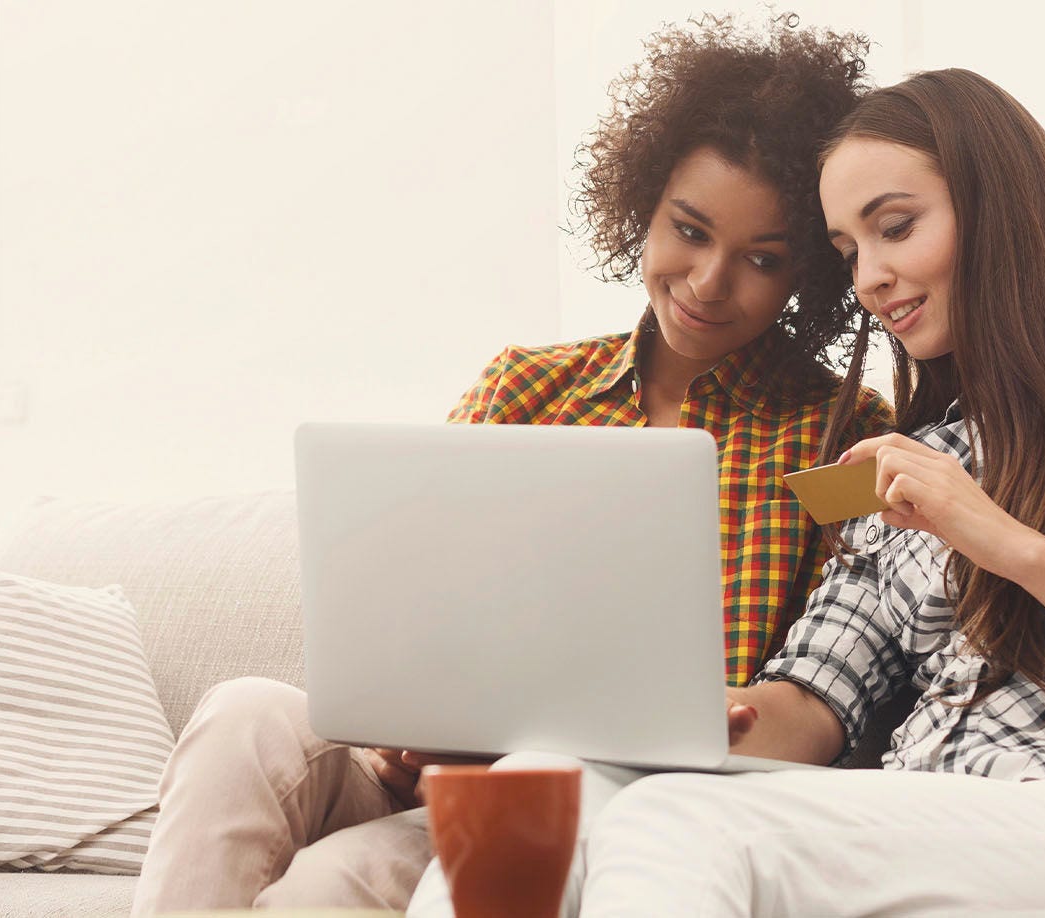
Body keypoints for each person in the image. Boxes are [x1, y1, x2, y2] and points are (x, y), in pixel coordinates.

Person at [130, 13, 892, 914]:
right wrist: (403, 729)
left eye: (761, 260)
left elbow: (834, 681)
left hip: (615, 799)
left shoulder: (843, 429)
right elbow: (404, 607)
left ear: (810, 275)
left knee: (332, 883)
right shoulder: (528, 385)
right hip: (426, 766)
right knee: (243, 713)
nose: (709, 281)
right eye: (688, 231)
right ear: (642, 204)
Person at [534, 67, 1045, 916]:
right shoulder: (905, 462)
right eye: (848, 253)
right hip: (933, 809)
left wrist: (1004, 540)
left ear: (1001, 204)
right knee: (547, 797)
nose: (869, 276)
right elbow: (811, 702)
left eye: (895, 228)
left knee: (679, 823)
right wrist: (657, 719)